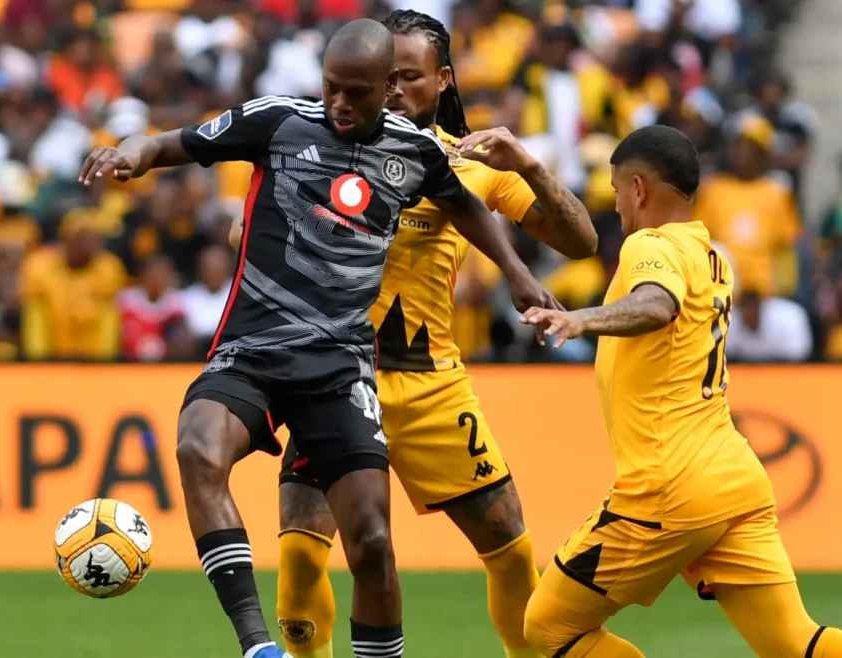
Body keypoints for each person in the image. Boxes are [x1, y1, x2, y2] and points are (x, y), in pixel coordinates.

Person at [78, 18, 556, 658]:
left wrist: (518, 275)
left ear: (386, 88)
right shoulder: (278, 121)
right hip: (252, 352)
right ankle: (258, 646)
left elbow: (464, 206)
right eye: (331, 87)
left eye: (356, 92)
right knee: (197, 448)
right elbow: (172, 142)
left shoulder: (415, 152)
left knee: (374, 545)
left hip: (339, 370)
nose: (339, 104)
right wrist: (129, 154)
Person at [274, 10, 597, 658]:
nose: (393, 89)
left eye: (409, 76)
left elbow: (581, 241)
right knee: (301, 558)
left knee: (511, 549)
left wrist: (530, 165)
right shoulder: (323, 146)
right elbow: (247, 229)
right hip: (335, 383)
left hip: (431, 389)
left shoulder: (471, 164)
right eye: (383, 76)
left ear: (444, 79)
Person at [517, 125, 842, 658]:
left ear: (638, 189)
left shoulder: (649, 243)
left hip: (668, 485)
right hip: (733, 478)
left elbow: (657, 303)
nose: (616, 205)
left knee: (549, 626)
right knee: (794, 641)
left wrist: (581, 319)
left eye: (618, 190)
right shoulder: (712, 256)